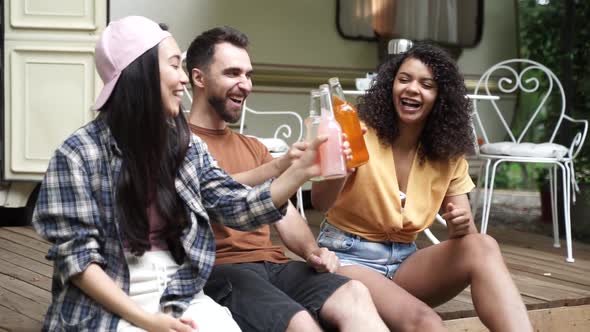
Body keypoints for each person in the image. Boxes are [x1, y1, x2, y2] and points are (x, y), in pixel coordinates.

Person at [32, 16, 327, 332]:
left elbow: (236, 205)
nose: (184, 79)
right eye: (174, 66)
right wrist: (148, 321)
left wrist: (300, 172)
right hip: (105, 302)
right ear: (141, 73)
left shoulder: (186, 147)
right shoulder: (78, 153)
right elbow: (78, 262)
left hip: (180, 292)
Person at [311, 43, 533, 332]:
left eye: (426, 84)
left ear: (440, 97)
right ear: (390, 86)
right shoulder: (357, 129)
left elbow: (463, 232)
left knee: (483, 245)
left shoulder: (446, 151)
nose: (412, 89)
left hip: (404, 262)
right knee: (424, 321)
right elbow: (319, 202)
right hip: (347, 258)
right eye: (404, 79)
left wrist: (462, 222)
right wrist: (340, 169)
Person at [185, 26, 389, 332]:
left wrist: (313, 252)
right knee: (300, 323)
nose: (245, 85)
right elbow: (214, 194)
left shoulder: (253, 147)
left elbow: (285, 213)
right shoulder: (177, 143)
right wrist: (285, 167)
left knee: (354, 292)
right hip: (222, 271)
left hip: (274, 265)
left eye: (248, 74)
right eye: (232, 73)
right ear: (199, 78)